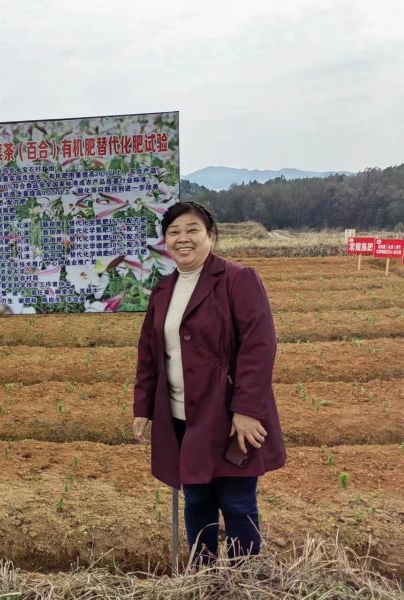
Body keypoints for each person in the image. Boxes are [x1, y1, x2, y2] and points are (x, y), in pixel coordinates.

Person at [132, 201, 285, 566]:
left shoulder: (236, 279)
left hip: (229, 416)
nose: (183, 239)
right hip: (182, 417)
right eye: (174, 232)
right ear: (165, 241)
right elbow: (150, 354)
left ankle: (243, 579)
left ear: (210, 236)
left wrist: (247, 410)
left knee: (236, 500)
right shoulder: (164, 291)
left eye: (192, 230)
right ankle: (204, 577)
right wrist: (143, 407)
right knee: (197, 500)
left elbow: (259, 346)